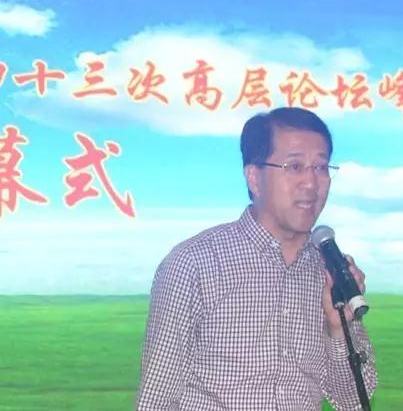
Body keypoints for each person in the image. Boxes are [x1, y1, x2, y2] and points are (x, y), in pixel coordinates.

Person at [135, 107, 377, 411]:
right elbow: (156, 398)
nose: (311, 183)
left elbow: (352, 400)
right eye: (295, 166)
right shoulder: (194, 263)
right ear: (254, 178)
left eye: (321, 167)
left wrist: (338, 327)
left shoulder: (329, 271)